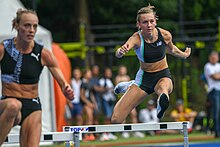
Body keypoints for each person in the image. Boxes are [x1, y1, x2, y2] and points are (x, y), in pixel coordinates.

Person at [0, 9, 74, 147]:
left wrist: (66, 87)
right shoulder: (4, 49)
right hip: (7, 102)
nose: (31, 30)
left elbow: (61, 78)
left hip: (32, 105)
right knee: (14, 106)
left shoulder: (43, 53)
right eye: (27, 25)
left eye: (35, 26)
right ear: (16, 25)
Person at [111, 4, 191, 125]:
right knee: (116, 120)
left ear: (155, 22)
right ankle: (131, 85)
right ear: (139, 24)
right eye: (145, 22)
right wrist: (120, 52)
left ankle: (161, 105)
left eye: (151, 21)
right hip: (144, 79)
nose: (149, 25)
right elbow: (120, 52)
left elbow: (171, 49)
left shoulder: (165, 35)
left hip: (163, 75)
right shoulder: (136, 38)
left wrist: (184, 55)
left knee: (164, 88)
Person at [115, 65, 144, 138]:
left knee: (133, 114)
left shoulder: (127, 77)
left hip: (129, 98)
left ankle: (135, 131)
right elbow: (118, 89)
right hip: (122, 98)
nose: (123, 71)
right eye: (121, 70)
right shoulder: (117, 78)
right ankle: (124, 132)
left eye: (124, 70)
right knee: (123, 116)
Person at [204, 51, 220, 138]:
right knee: (215, 112)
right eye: (212, 57)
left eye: (215, 57)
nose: (214, 59)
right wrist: (217, 75)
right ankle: (216, 132)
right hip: (213, 91)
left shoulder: (218, 66)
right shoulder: (207, 66)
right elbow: (215, 77)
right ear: (210, 58)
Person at [99, 67, 117, 141]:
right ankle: (105, 133)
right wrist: (107, 89)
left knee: (110, 117)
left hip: (111, 100)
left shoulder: (111, 81)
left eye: (110, 72)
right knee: (107, 116)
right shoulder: (102, 81)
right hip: (105, 100)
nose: (109, 74)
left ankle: (109, 133)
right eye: (108, 72)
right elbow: (101, 89)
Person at [80, 68, 97, 141]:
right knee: (88, 118)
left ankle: (90, 134)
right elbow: (82, 95)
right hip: (85, 103)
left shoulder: (89, 83)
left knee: (91, 118)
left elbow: (91, 94)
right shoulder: (83, 83)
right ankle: (85, 135)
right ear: (85, 74)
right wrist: (88, 103)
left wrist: (94, 103)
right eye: (89, 73)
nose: (90, 74)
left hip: (90, 102)